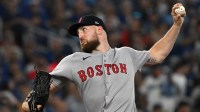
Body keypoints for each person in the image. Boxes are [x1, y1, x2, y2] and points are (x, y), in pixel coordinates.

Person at [22, 3, 186, 112]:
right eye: (78, 33)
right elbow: (30, 103)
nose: (80, 35)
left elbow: (158, 54)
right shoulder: (72, 61)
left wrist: (176, 25)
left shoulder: (126, 54)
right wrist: (32, 102)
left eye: (84, 30)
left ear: (99, 29)